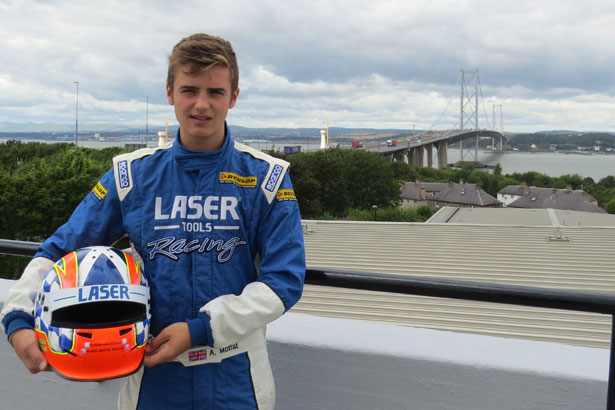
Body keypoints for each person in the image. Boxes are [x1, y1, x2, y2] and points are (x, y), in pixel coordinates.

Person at [1, 33, 306, 410]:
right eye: (189, 90)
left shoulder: (268, 178)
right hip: (151, 380)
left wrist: (200, 330)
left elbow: (284, 282)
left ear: (234, 96)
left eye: (215, 92)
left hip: (238, 380)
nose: (201, 104)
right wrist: (17, 316)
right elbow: (60, 250)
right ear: (170, 92)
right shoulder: (131, 176)